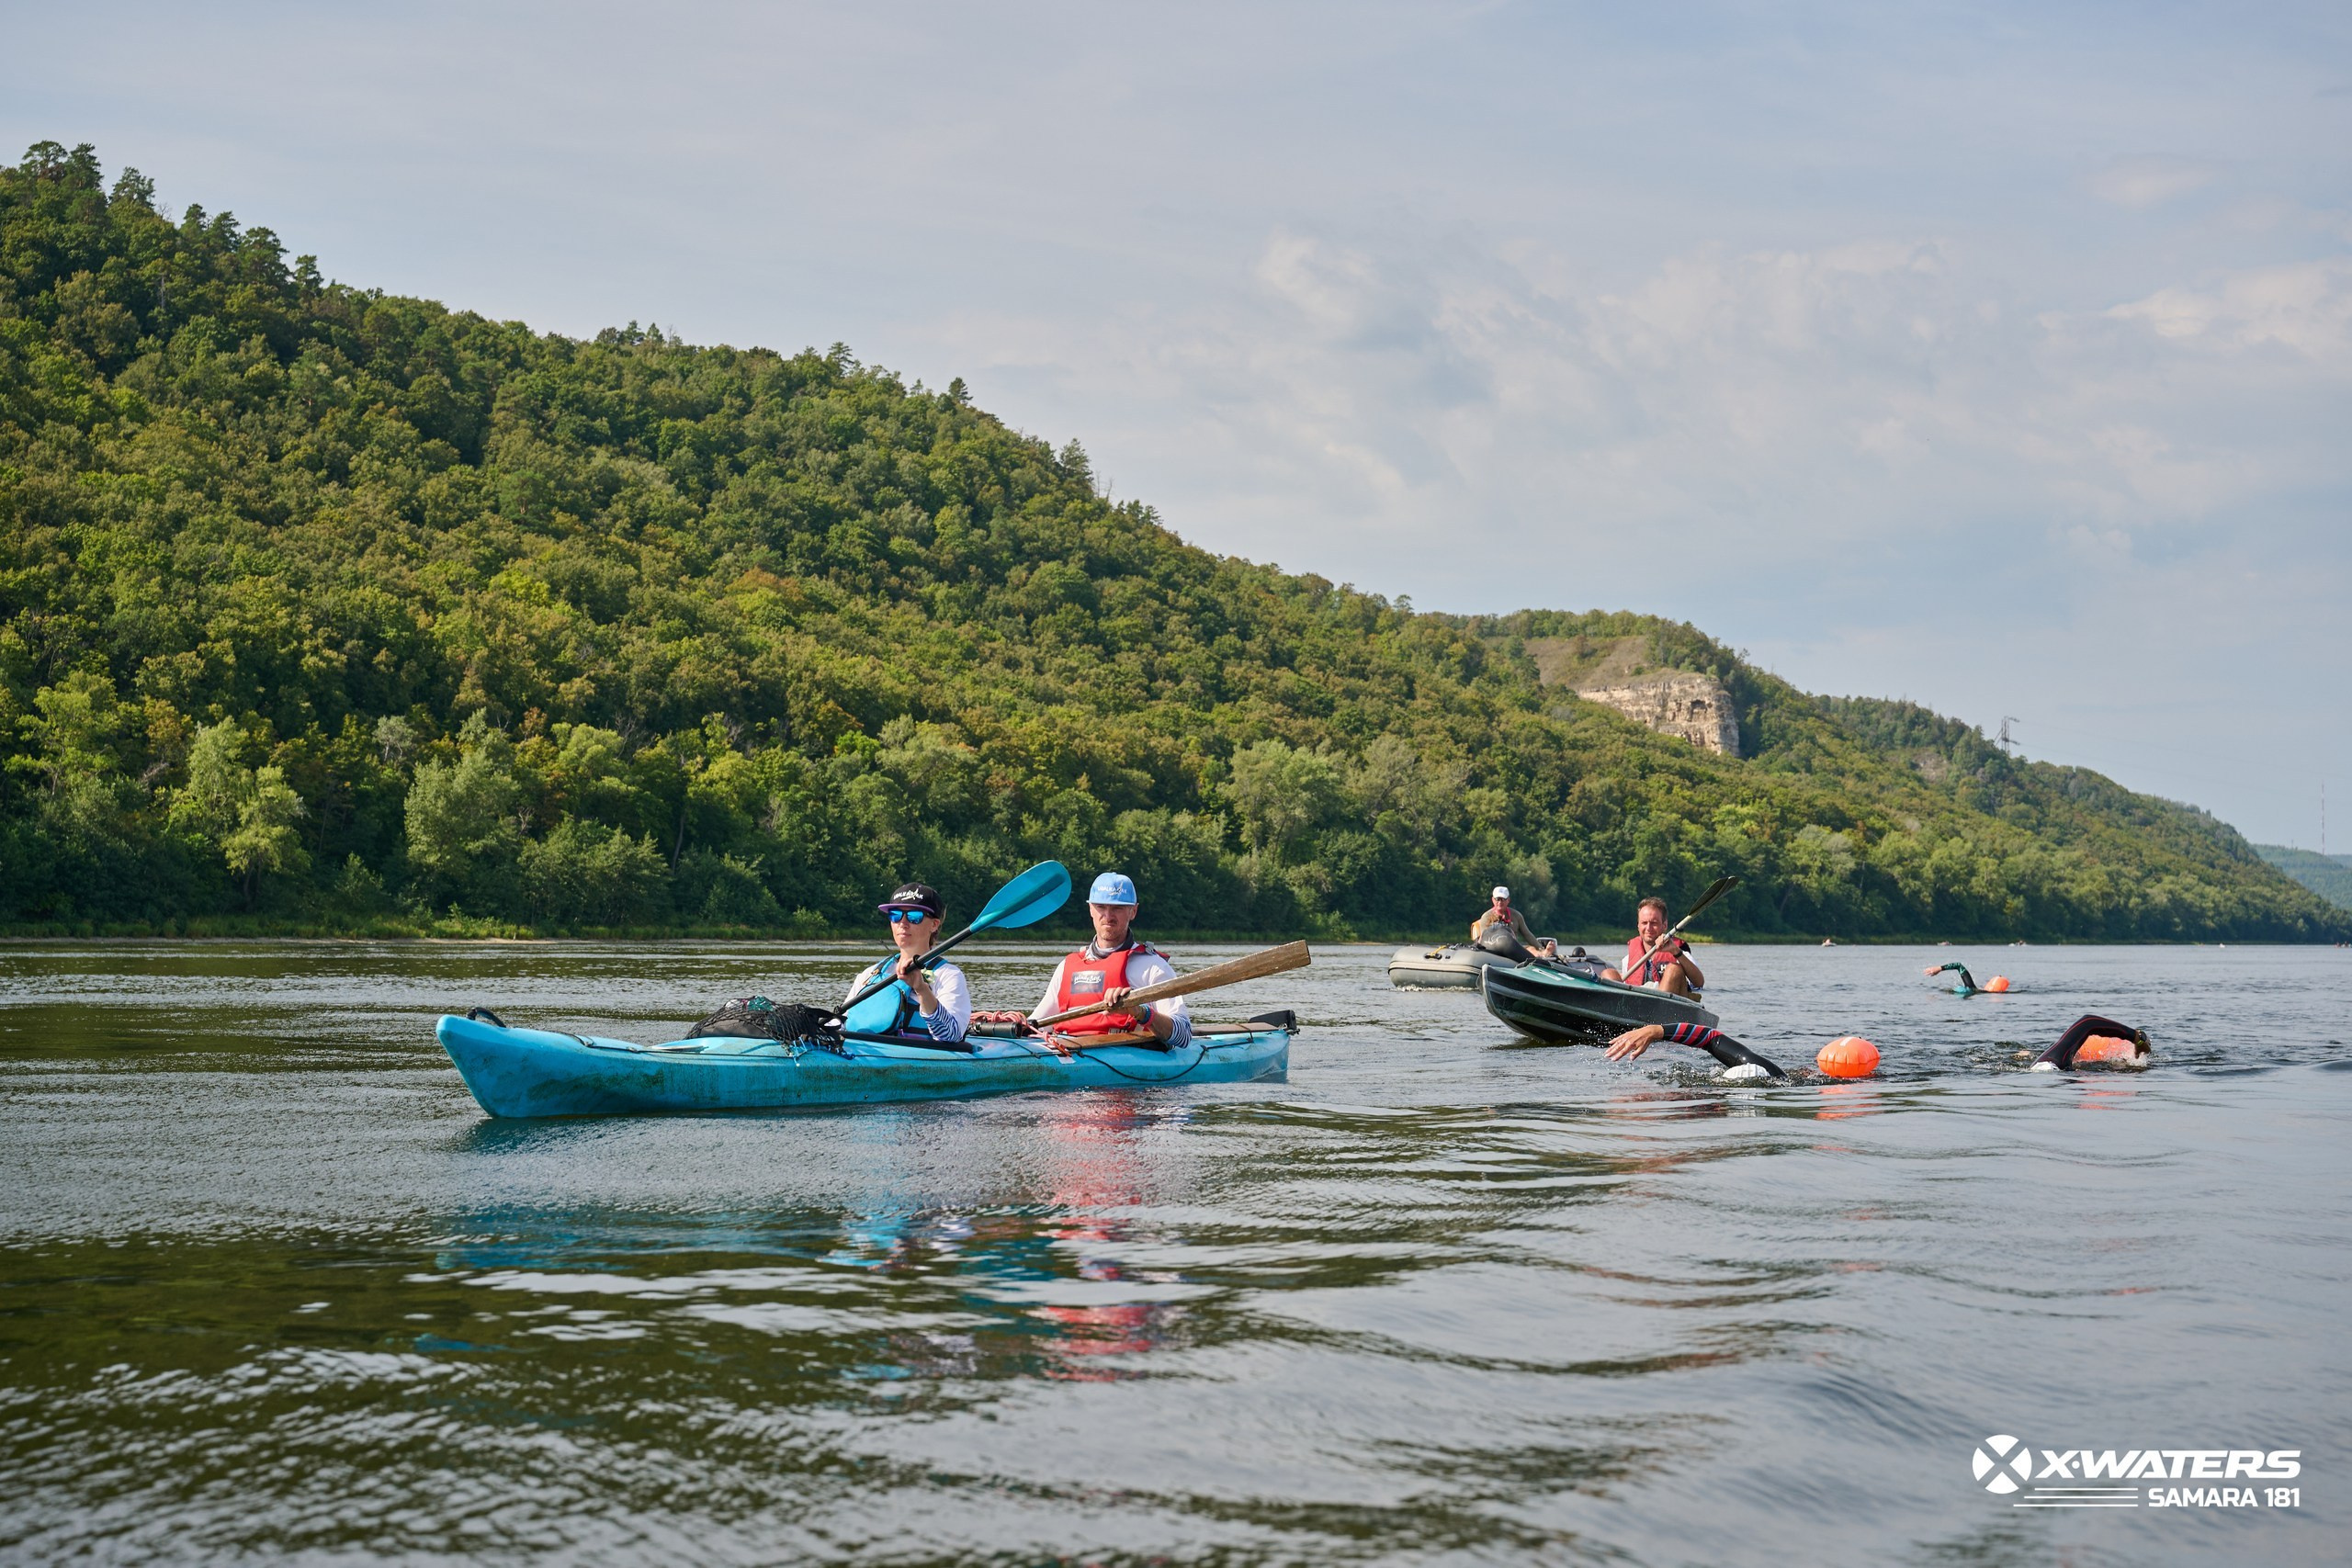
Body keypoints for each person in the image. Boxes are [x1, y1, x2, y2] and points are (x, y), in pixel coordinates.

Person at [1029, 872, 1192, 1047]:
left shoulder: (1152, 967)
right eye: (1101, 907)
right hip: (1067, 1053)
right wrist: (1007, 1023)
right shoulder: (1066, 967)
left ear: (1133, 911)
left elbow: (1183, 1035)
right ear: (1091, 909)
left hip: (1126, 1060)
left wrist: (1140, 1012)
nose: (1108, 916)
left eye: (1117, 908)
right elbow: (1035, 1027)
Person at [841, 882, 971, 1044]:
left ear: (934, 924)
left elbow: (951, 1036)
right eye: (895, 915)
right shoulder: (870, 974)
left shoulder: (948, 976)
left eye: (914, 917)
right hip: (866, 1055)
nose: (902, 923)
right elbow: (840, 1025)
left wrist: (922, 989)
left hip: (919, 1061)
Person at [1602, 896, 1702, 996]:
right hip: (1636, 1005)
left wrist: (1675, 951)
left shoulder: (1680, 954)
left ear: (1665, 925)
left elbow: (1699, 983)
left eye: (1654, 923)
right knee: (1608, 973)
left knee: (1673, 969)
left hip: (1669, 1006)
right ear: (1638, 925)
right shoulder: (1627, 960)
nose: (1648, 928)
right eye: (1644, 923)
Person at [1470, 886, 1557, 958]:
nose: (1500, 902)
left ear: (1508, 900)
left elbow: (1527, 934)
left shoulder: (1516, 916)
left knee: (1531, 949)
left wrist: (1540, 948)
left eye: (1503, 899)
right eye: (1497, 899)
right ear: (1493, 900)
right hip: (1493, 949)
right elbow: (1483, 939)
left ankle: (1544, 954)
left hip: (1512, 948)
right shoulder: (1486, 917)